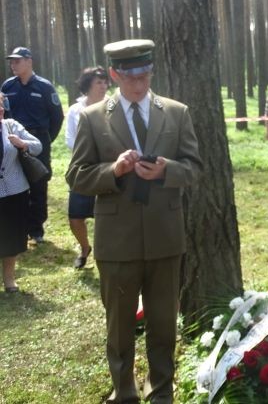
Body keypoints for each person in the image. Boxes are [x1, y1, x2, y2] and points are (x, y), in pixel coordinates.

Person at [66, 39, 201, 404]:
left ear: (151, 72)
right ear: (114, 75)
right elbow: (76, 175)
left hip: (164, 236)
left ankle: (161, 391)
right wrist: (114, 170)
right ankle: (124, 390)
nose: (139, 85)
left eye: (144, 76)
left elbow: (194, 168)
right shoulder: (93, 117)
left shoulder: (176, 113)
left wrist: (166, 170)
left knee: (163, 322)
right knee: (119, 324)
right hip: (117, 239)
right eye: (130, 78)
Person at [2, 46, 64, 244]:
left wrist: (45, 140)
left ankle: (36, 230)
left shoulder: (44, 87)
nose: (13, 65)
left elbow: (57, 117)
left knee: (38, 184)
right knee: (15, 184)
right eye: (11, 61)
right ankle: (18, 227)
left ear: (29, 61)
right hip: (12, 141)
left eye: (17, 61)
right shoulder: (8, 86)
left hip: (38, 140)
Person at [64, 66, 109, 269]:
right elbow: (70, 139)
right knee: (75, 217)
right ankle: (84, 248)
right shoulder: (76, 110)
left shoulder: (113, 106)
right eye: (99, 82)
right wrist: (87, 151)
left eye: (105, 82)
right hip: (83, 168)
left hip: (107, 168)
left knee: (106, 215)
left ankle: (105, 253)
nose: (104, 86)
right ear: (87, 85)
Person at [0, 97, 42, 293]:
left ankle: (9, 279)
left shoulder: (11, 125)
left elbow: (38, 146)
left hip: (15, 191)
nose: (1, 109)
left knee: (12, 237)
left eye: (1, 105)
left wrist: (23, 143)